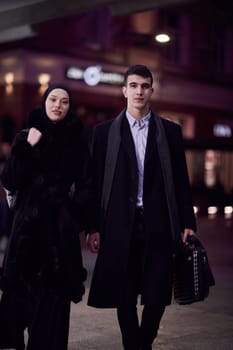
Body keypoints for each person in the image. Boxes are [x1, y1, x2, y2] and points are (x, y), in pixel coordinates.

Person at [86, 65, 197, 350]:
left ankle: (141, 344)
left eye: (144, 86)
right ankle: (133, 346)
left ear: (151, 91)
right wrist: (93, 226)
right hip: (119, 224)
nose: (139, 91)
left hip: (159, 222)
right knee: (124, 293)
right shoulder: (103, 133)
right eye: (133, 85)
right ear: (124, 90)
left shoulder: (170, 132)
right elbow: (95, 184)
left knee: (157, 293)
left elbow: (182, 180)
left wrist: (187, 222)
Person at [0, 84, 94, 350]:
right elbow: (9, 179)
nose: (58, 105)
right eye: (53, 99)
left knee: (53, 306)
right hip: (26, 235)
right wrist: (27, 148)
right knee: (15, 307)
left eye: (64, 102)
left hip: (58, 237)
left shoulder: (76, 144)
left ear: (69, 107)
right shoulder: (25, 137)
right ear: (44, 102)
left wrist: (74, 216)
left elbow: (87, 185)